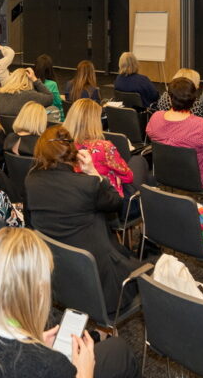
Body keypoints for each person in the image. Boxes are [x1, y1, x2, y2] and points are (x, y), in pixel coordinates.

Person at [0, 228, 145, 378]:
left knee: (118, 353)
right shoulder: (49, 369)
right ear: (38, 291)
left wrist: (34, 342)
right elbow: (40, 374)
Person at [25, 124, 140, 315]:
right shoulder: (88, 184)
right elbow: (116, 202)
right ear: (73, 153)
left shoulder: (31, 180)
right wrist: (94, 173)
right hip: (102, 285)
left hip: (58, 276)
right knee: (151, 272)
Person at [146, 77, 203, 193]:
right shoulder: (202, 126)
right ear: (194, 99)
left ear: (170, 97)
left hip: (165, 175)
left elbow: (151, 135)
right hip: (199, 182)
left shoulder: (155, 118)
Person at [34, 54, 64, 120]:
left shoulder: (30, 82)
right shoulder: (52, 84)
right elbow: (58, 104)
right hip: (48, 118)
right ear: (50, 69)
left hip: (33, 117)